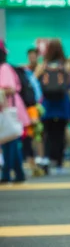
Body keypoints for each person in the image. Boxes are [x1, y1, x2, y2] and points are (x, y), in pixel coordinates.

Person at [35, 39, 70, 175]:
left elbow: (34, 81)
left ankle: (48, 161)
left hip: (47, 104)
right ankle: (60, 164)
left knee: (47, 134)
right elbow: (68, 82)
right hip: (62, 103)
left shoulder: (43, 65)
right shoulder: (65, 64)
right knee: (61, 134)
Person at [0, 39, 30, 183]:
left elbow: (10, 88)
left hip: (9, 110)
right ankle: (19, 174)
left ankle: (6, 174)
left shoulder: (4, 68)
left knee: (9, 142)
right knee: (10, 141)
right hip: (7, 110)